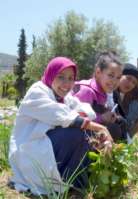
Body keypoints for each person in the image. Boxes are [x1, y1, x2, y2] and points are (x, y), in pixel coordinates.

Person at [9, 57, 113, 195]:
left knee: (88, 135)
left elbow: (83, 108)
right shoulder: (37, 92)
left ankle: (76, 182)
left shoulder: (63, 95)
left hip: (45, 144)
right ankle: (69, 183)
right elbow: (60, 114)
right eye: (61, 77)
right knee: (76, 133)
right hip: (29, 152)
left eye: (71, 78)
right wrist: (101, 128)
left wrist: (82, 117)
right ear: (50, 74)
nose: (67, 83)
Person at [73, 51, 125, 141]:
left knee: (117, 126)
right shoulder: (86, 91)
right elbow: (77, 120)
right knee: (112, 130)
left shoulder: (103, 92)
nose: (114, 81)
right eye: (111, 75)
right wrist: (102, 118)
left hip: (86, 134)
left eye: (118, 77)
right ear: (98, 72)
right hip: (74, 136)